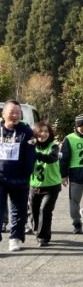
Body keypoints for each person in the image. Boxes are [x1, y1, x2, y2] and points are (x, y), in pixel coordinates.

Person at [0, 100, 36, 253]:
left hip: (19, 178)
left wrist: (27, 174)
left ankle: (15, 238)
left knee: (19, 211)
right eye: (11, 112)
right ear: (3, 114)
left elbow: (30, 155)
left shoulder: (26, 132)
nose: (15, 115)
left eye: (18, 113)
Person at [29, 121, 60, 247]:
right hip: (34, 185)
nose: (43, 134)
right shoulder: (30, 146)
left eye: (46, 131)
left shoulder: (54, 146)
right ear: (35, 133)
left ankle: (43, 237)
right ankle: (37, 230)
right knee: (34, 211)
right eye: (40, 131)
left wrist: (35, 154)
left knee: (45, 210)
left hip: (51, 186)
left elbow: (52, 158)